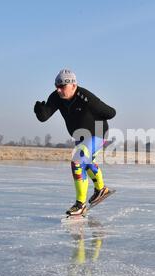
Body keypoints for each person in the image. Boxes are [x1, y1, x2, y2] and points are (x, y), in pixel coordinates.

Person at [34, 69, 116, 215]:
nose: (58, 90)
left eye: (62, 87)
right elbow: (44, 116)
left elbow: (111, 113)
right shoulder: (56, 96)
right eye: (56, 86)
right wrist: (40, 111)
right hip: (80, 136)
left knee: (77, 161)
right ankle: (101, 190)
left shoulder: (84, 96)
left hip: (98, 132)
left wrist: (95, 111)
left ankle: (80, 204)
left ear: (73, 85)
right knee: (86, 162)